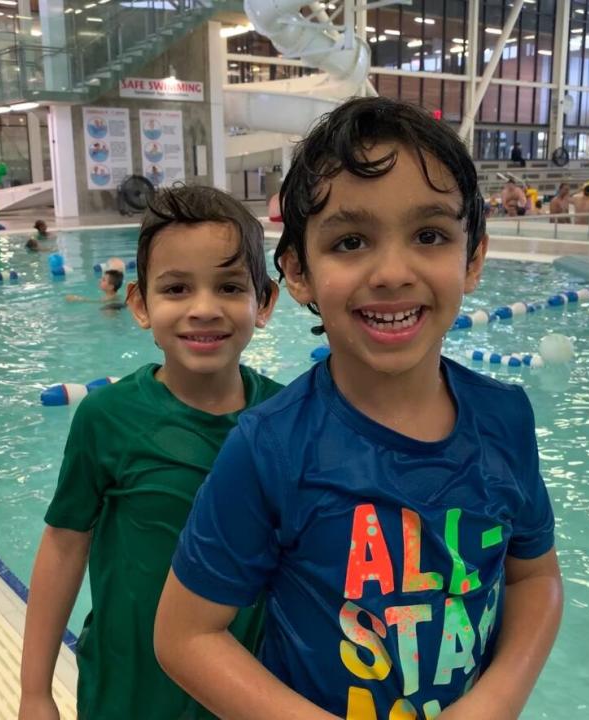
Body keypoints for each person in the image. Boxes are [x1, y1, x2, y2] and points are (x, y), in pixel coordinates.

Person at [155, 97, 562, 719]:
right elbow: (185, 636)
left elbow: (535, 579)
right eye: (351, 241)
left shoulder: (505, 420)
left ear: (473, 257)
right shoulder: (272, 447)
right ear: (297, 273)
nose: (393, 272)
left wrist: (497, 701)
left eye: (429, 235)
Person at [19, 185, 281, 720]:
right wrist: (35, 691)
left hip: (245, 693)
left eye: (230, 287)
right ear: (140, 305)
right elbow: (65, 546)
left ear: (266, 302)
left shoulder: (285, 419)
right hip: (128, 692)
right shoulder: (108, 419)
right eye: (178, 288)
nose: (204, 309)